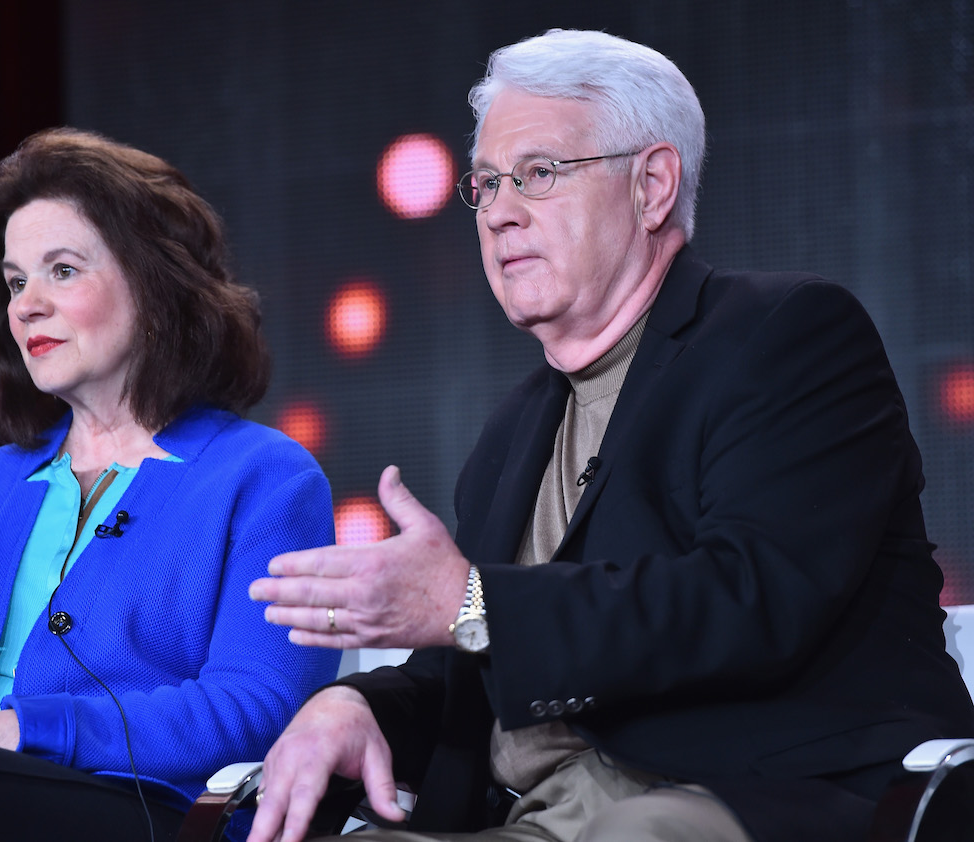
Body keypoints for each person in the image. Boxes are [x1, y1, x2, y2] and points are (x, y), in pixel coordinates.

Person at [245, 29, 974, 842]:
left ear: (653, 185)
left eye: (539, 174)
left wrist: (470, 601)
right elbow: (473, 666)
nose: (500, 212)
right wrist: (353, 705)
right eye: (485, 185)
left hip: (753, 794)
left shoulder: (786, 336)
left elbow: (750, 599)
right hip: (530, 816)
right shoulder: (511, 432)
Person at [0, 127, 340, 841]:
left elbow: (257, 706)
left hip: (133, 810)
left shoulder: (266, 479)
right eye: (15, 282)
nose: (26, 306)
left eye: (62, 271)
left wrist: (10, 731)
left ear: (156, 285)